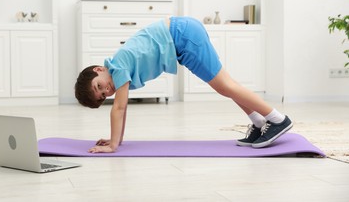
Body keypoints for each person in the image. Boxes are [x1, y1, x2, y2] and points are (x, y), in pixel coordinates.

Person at [75, 16, 293, 153]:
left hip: (182, 36)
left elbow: (119, 109)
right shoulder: (119, 70)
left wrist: (113, 146)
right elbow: (123, 109)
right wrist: (117, 141)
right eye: (103, 96)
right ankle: (258, 121)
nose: (107, 91)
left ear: (99, 70)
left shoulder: (118, 66)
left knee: (224, 86)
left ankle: (278, 120)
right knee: (226, 85)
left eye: (99, 86)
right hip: (182, 39)